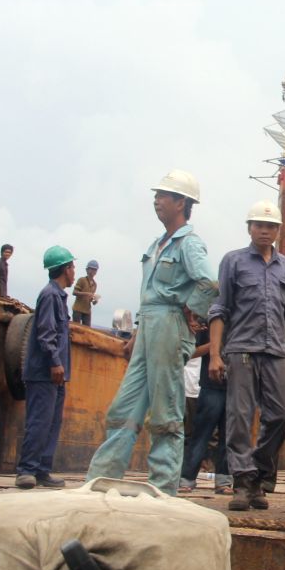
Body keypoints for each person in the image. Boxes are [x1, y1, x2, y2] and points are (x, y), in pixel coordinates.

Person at [85, 169, 216, 496]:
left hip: (170, 325)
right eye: (157, 195)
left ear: (181, 202)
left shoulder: (189, 244)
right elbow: (149, 295)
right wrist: (137, 334)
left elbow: (209, 283)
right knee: (124, 407)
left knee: (166, 410)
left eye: (163, 195)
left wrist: (191, 310)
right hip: (151, 326)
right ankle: (101, 479)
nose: (156, 201)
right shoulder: (157, 244)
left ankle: (163, 487)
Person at [208, 200, 285, 512]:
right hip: (241, 349)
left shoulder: (284, 265)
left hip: (276, 351)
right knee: (239, 417)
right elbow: (220, 308)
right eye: (259, 225)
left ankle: (258, 471)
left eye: (271, 226)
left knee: (282, 415)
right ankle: (244, 483)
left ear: (278, 231)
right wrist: (215, 356)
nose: (265, 230)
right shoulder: (233, 262)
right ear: (249, 228)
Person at [15, 246, 75, 489]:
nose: (74, 273)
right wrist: (55, 362)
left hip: (57, 373)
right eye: (72, 267)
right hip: (45, 372)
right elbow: (46, 333)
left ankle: (42, 470)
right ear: (65, 269)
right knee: (40, 421)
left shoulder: (59, 296)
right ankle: (26, 470)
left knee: (52, 422)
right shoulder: (50, 295)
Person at [180, 321, 234, 495]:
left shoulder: (244, 319)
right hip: (211, 384)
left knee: (229, 436)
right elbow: (192, 351)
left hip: (237, 386)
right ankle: (187, 478)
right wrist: (215, 346)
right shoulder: (210, 322)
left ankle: (224, 481)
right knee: (201, 433)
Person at [72, 260, 100, 326]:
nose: (93, 271)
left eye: (95, 270)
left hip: (87, 311)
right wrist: (87, 293)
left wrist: (95, 301)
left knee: (87, 330)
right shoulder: (82, 280)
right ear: (87, 270)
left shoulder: (95, 284)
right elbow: (74, 292)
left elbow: (91, 300)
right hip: (78, 309)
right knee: (76, 328)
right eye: (91, 269)